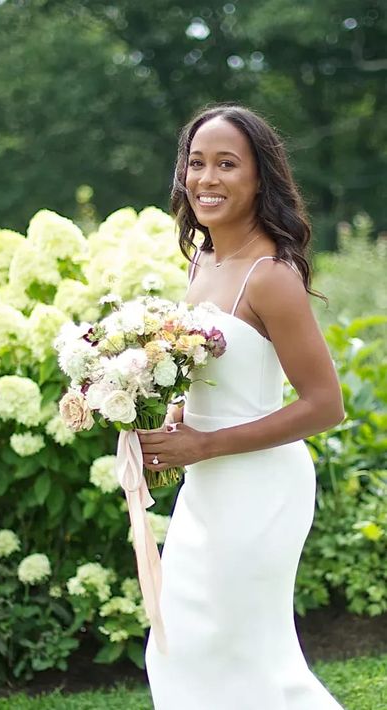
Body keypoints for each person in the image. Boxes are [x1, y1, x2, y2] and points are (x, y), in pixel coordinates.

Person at [139, 103, 345, 709]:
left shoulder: (270, 275)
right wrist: (180, 416)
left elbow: (325, 405)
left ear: (260, 177)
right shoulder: (202, 261)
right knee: (183, 643)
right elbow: (216, 372)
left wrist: (204, 444)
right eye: (196, 163)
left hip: (261, 488)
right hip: (208, 487)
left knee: (250, 655)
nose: (207, 178)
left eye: (227, 164)